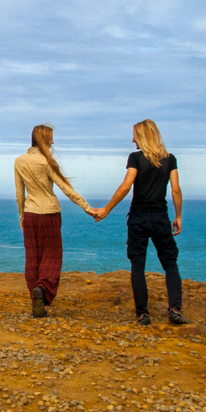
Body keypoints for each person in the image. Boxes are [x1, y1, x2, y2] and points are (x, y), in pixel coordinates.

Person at [93, 119, 189, 326]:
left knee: (138, 265)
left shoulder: (135, 158)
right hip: (160, 218)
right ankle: (175, 309)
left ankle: (143, 314)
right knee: (170, 263)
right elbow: (175, 189)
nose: (132, 139)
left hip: (138, 218)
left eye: (135, 135)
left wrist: (107, 209)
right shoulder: (169, 159)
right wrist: (178, 216)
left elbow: (127, 185)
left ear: (143, 136)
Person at [15, 124, 97, 318]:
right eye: (50, 138)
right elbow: (65, 188)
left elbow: (20, 194)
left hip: (31, 214)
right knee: (52, 257)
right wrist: (88, 208)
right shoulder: (46, 162)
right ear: (43, 139)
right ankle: (42, 290)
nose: (53, 142)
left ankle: (36, 295)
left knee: (33, 258)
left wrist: (22, 216)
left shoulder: (19, 161)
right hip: (50, 214)